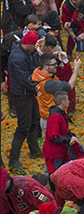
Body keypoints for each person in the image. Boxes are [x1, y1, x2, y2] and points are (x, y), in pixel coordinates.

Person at [7, 31, 42, 175]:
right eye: (34, 45)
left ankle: (34, 150)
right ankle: (13, 160)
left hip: (30, 92)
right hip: (21, 94)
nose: (35, 48)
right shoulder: (17, 58)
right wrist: (39, 85)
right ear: (27, 44)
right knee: (23, 126)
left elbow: (33, 69)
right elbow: (24, 80)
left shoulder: (28, 53)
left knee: (34, 121)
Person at [32, 52, 80, 133]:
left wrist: (57, 55)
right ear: (46, 67)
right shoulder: (49, 84)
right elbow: (70, 86)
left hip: (45, 116)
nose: (56, 65)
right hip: (52, 120)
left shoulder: (37, 73)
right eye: (54, 64)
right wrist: (76, 69)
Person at [42, 90, 84, 174]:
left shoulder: (60, 114)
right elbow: (54, 136)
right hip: (54, 153)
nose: (69, 101)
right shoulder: (55, 117)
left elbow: (63, 130)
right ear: (63, 102)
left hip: (61, 151)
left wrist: (70, 136)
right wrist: (68, 140)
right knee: (56, 175)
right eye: (67, 100)